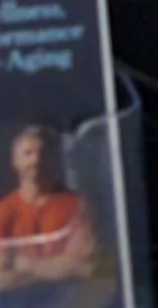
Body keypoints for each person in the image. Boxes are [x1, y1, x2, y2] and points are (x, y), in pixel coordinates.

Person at [0, 124, 95, 289]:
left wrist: (23, 264)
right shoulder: (3, 211)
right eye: (27, 154)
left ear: (54, 160)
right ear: (15, 161)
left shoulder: (76, 205)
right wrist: (58, 267)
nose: (36, 160)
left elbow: (85, 268)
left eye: (43, 154)